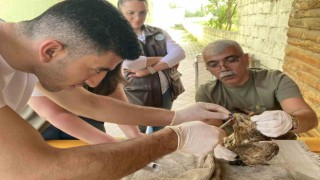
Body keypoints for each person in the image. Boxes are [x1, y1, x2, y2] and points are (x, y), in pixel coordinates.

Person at [0, 0, 231, 179]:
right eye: (95, 69)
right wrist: (175, 138)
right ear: (51, 51)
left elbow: (90, 103)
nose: (93, 83)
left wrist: (177, 116)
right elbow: (38, 170)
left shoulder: (28, 54)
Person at [195, 39, 318, 161]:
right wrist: (218, 145)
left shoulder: (275, 80)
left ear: (246, 59)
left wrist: (292, 122)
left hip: (281, 146)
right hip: (234, 150)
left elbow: (310, 119)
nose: (223, 68)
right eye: (213, 64)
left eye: (231, 60)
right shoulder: (207, 93)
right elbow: (214, 130)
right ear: (208, 68)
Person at [28, 63, 143, 144]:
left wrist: (135, 135)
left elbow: (116, 100)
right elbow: (56, 114)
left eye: (106, 70)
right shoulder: (39, 64)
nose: (93, 81)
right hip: (41, 125)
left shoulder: (110, 63)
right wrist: (112, 144)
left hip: (87, 118)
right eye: (96, 70)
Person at [118, 0, 186, 133]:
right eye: (131, 13)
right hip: (136, 91)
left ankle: (157, 149)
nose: (137, 18)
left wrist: (149, 69)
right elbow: (129, 62)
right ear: (120, 13)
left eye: (142, 12)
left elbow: (179, 53)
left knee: (161, 125)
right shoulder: (116, 37)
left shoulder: (157, 32)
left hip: (165, 89)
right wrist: (164, 59)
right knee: (139, 129)